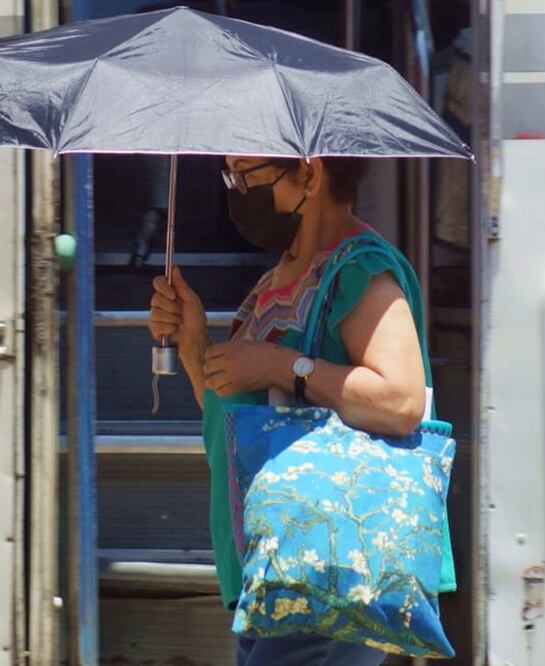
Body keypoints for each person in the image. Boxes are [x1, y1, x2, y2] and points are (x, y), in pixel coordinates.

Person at [148, 155, 431, 666]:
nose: (237, 192)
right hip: (271, 570)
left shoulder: (360, 272)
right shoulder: (277, 282)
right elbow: (241, 423)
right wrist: (193, 344)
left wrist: (284, 366)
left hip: (325, 574)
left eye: (248, 175)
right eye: (230, 176)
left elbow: (402, 401)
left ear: (309, 172)